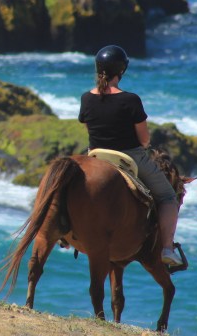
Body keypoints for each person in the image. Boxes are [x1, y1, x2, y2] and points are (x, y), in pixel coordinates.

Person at [78, 45, 182, 266]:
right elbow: (144, 141)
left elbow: (89, 130)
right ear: (121, 71)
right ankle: (167, 249)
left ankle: (65, 235)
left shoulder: (86, 98)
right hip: (129, 158)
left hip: (95, 156)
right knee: (167, 197)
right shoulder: (131, 99)